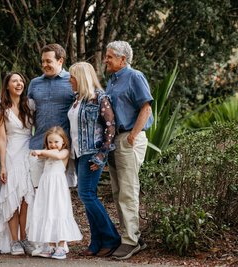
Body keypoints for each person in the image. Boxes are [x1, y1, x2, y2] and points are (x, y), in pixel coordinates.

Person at [103, 40, 154, 260]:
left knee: (128, 191)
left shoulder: (135, 77)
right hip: (115, 141)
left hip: (128, 139)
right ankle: (131, 236)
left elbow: (146, 107)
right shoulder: (112, 81)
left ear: (123, 59)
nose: (106, 59)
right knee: (117, 192)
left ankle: (131, 240)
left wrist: (132, 136)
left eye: (110, 56)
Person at [67, 62, 121, 257]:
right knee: (86, 196)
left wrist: (101, 155)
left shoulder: (100, 98)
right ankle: (96, 243)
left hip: (93, 153)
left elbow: (110, 127)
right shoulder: (76, 100)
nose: (69, 80)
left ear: (81, 78)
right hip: (79, 153)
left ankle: (111, 239)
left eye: (72, 77)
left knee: (86, 194)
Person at [27, 43, 75, 256]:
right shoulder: (34, 83)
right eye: (43, 60)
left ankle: (62, 242)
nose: (44, 64)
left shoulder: (71, 81)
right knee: (41, 198)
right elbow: (27, 114)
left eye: (49, 61)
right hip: (37, 146)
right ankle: (46, 242)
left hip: (61, 152)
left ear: (60, 61)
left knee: (59, 198)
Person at [0, 72, 35, 255]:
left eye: (21, 80)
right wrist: (2, 165)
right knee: (12, 198)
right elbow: (1, 139)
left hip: (29, 154)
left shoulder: (30, 105)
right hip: (11, 155)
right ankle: (14, 240)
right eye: (14, 81)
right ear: (7, 85)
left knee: (26, 199)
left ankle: (24, 237)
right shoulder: (0, 109)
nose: (19, 83)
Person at [28, 126, 82, 260]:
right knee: (47, 211)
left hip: (57, 187)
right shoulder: (47, 153)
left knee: (59, 211)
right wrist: (38, 153)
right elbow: (38, 160)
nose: (53, 145)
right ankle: (51, 246)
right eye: (50, 142)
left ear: (63, 142)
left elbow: (57, 156)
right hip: (46, 186)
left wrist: (40, 151)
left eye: (56, 142)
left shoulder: (64, 152)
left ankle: (61, 246)